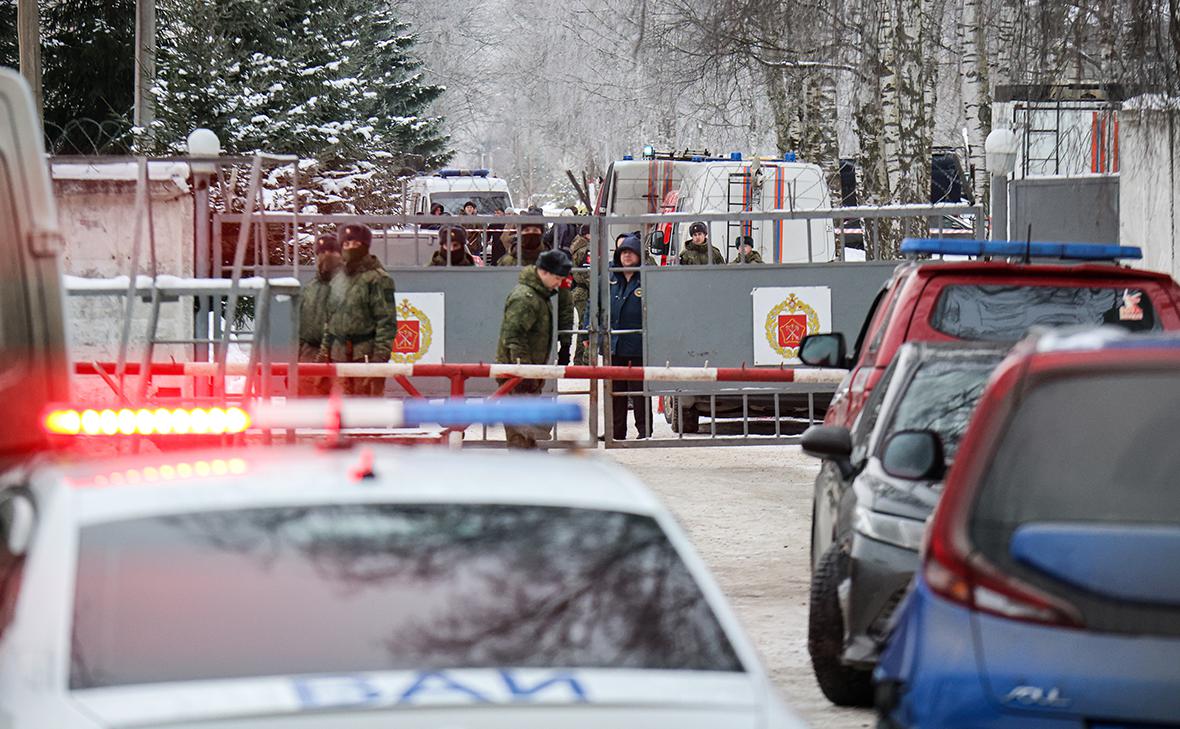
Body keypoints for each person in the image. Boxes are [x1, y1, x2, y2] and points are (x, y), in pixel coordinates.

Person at [496, 249, 573, 449]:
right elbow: (513, 337)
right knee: (518, 425)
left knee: (527, 423)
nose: (559, 284)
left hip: (526, 374)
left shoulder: (538, 295)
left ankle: (528, 454)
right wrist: (524, 372)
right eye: (557, 278)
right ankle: (522, 459)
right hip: (518, 374)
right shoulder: (526, 297)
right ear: (544, 272)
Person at [320, 223, 397, 396]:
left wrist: (379, 359)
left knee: (365, 408)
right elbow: (329, 318)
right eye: (346, 244)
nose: (350, 248)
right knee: (339, 408)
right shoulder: (337, 278)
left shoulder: (378, 278)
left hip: (365, 355)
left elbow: (386, 322)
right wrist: (324, 352)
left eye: (356, 244)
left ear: (365, 246)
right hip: (338, 356)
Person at [499, 218, 573, 364]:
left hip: (545, 341)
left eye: (535, 230)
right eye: (526, 230)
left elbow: (565, 304)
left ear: (542, 233)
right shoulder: (507, 262)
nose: (531, 234)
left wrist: (565, 343)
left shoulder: (555, 263)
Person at [609, 234, 651, 439]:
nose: (626, 256)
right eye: (623, 252)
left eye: (631, 252)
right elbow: (595, 304)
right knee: (616, 391)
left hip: (637, 343)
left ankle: (644, 430)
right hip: (614, 343)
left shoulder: (646, 279)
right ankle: (617, 431)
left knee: (639, 391)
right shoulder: (610, 278)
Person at [297, 233, 340, 396]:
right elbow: (301, 329)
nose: (325, 256)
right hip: (308, 357)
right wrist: (294, 364)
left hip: (338, 359)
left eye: (331, 251)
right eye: (321, 252)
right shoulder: (311, 288)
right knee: (307, 407)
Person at [569, 226, 593, 365]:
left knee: (582, 326)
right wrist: (597, 288)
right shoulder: (586, 250)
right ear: (587, 234)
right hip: (585, 292)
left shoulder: (575, 246)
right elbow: (588, 273)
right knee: (586, 327)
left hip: (578, 290)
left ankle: (579, 360)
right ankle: (584, 360)